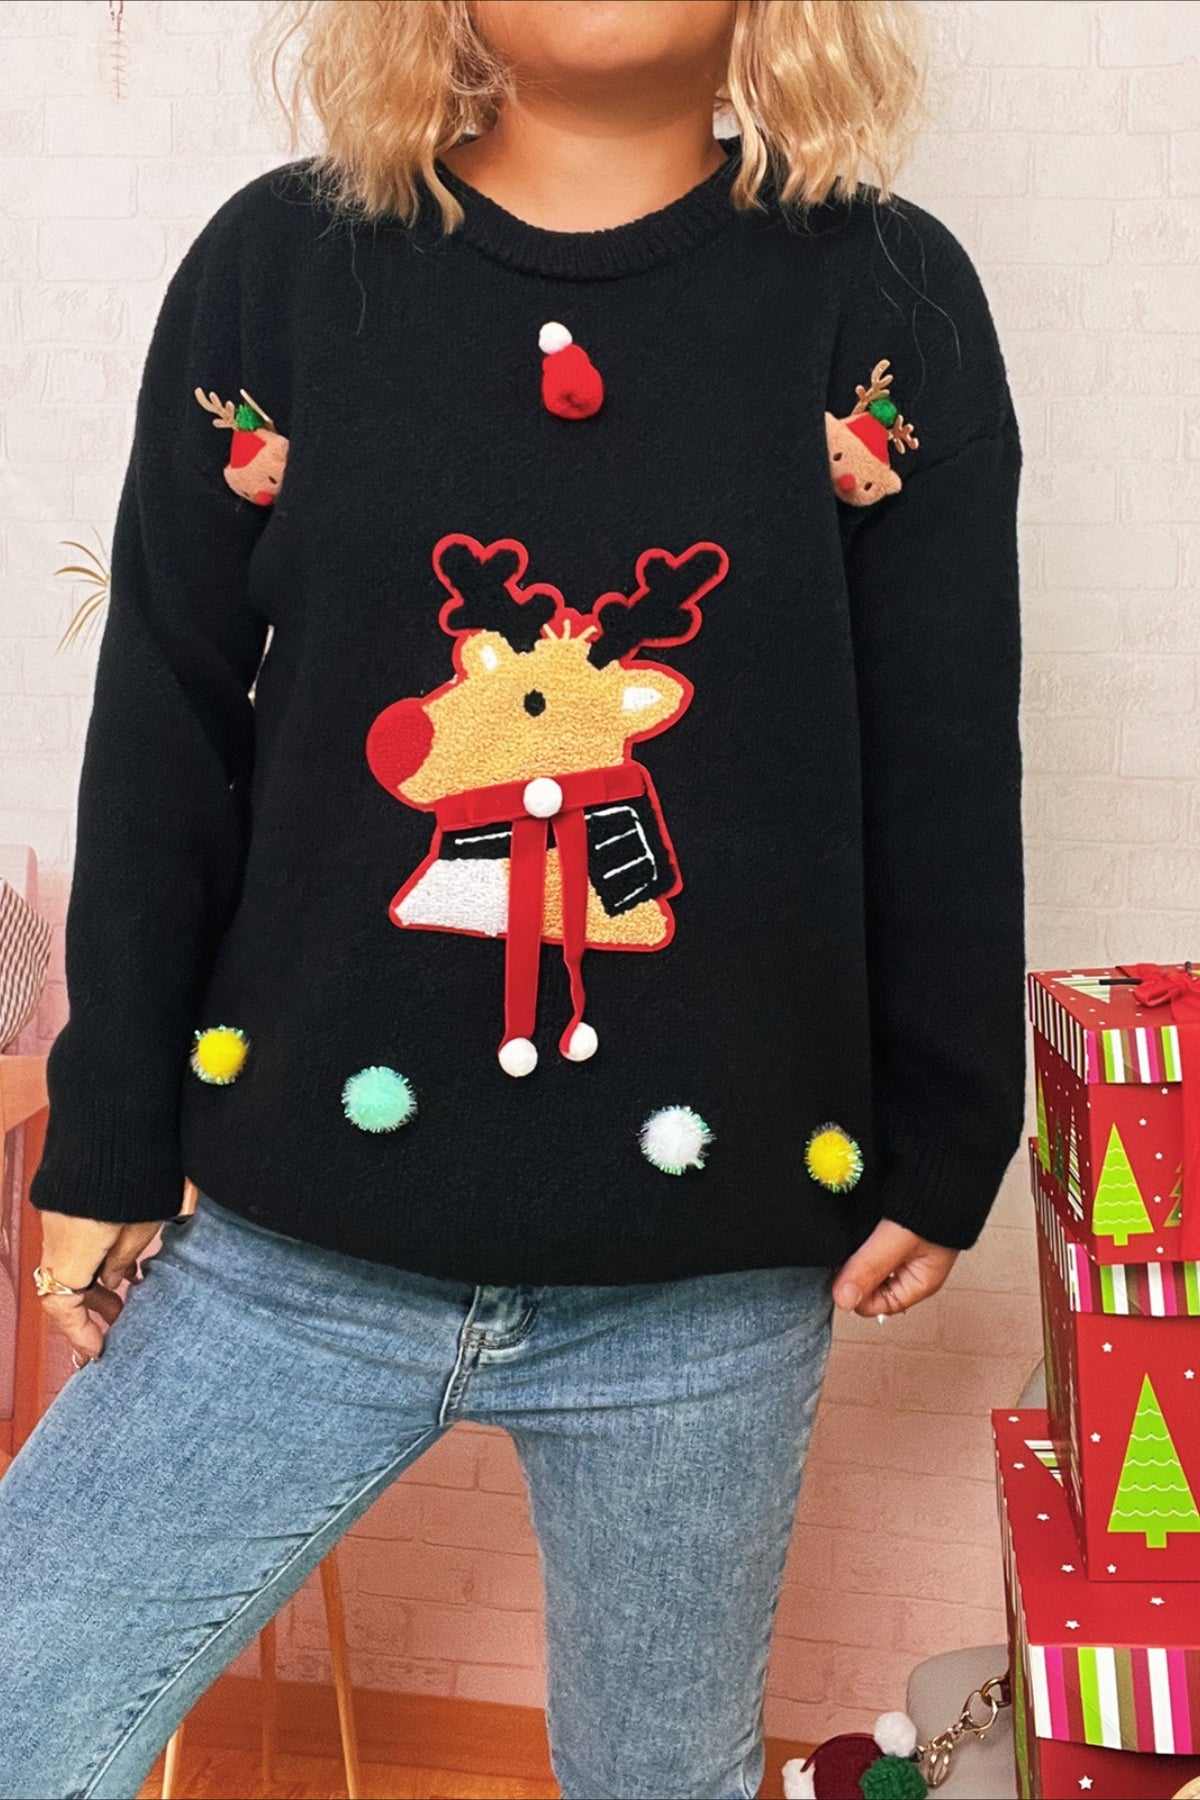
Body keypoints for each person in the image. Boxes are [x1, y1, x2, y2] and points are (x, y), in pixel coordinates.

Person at [0, 3, 1025, 1796]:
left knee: (661, 1775)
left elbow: (939, 745)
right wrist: (104, 1137)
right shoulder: (281, 268)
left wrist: (952, 1130)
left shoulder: (888, 301)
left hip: (709, 1280)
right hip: (287, 1240)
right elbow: (166, 716)